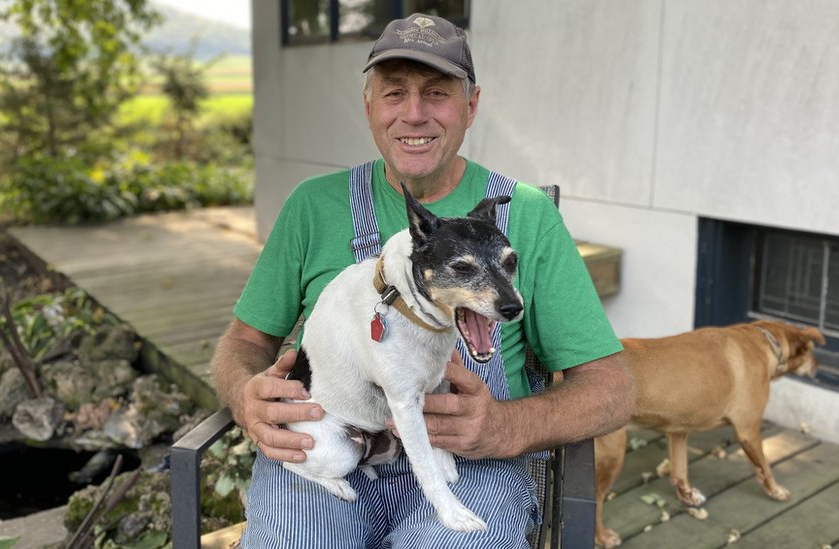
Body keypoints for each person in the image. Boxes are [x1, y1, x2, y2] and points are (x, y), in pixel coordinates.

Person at [212, 13, 633, 548]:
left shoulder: (526, 216)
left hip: (470, 461)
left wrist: (504, 427)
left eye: (436, 93)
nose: (414, 114)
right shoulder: (312, 206)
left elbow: (614, 390)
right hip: (327, 440)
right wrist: (247, 396)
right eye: (394, 93)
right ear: (369, 106)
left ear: (471, 106)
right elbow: (245, 342)